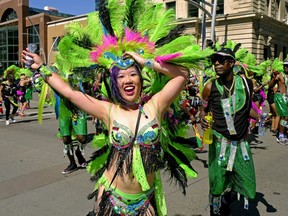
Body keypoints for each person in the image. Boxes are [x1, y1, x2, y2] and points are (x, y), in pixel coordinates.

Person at [200, 48, 257, 215]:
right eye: (214, 60)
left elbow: (246, 105)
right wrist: (203, 118)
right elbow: (202, 109)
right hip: (219, 141)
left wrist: (257, 116)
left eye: (221, 60)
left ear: (231, 63)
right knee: (217, 183)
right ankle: (215, 209)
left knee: (247, 183)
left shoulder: (246, 83)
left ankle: (228, 198)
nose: (216, 63)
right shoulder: (210, 86)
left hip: (240, 143)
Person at [268, 60, 288, 145]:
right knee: (285, 116)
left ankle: (282, 131)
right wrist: (273, 78)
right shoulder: (280, 75)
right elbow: (270, 85)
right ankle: (281, 134)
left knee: (286, 117)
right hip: (280, 97)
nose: (286, 67)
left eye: (287, 66)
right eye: (284, 65)